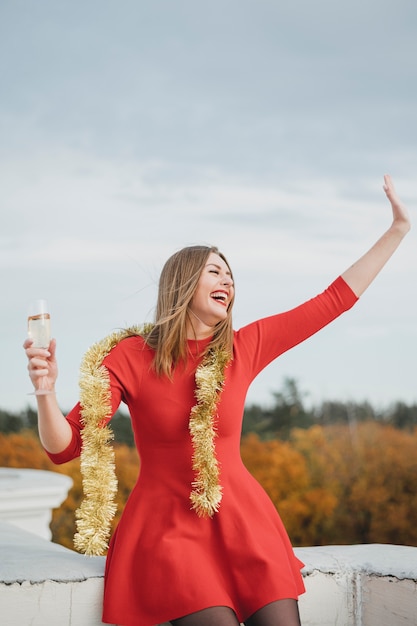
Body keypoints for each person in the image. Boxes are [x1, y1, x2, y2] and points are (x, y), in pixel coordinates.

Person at [24, 174, 410, 626]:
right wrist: (45, 392)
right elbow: (64, 446)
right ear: (185, 283)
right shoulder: (128, 357)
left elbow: (333, 300)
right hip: (168, 533)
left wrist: (398, 229)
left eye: (230, 274)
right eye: (215, 270)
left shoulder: (243, 348)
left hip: (244, 522)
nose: (227, 278)